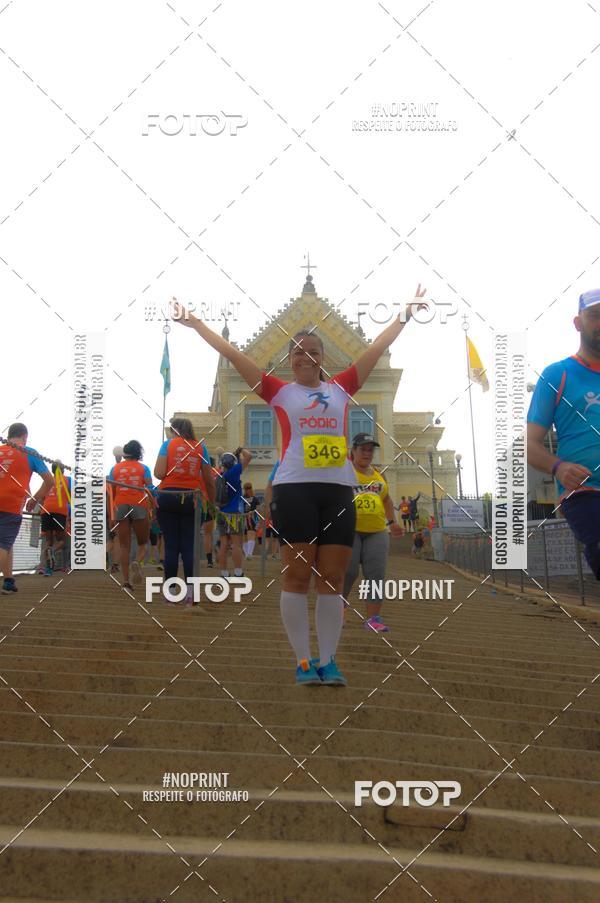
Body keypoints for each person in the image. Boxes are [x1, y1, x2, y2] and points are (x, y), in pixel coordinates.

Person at [173, 283, 426, 685]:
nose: (302, 356)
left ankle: (329, 659)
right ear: (290, 361)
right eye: (295, 352)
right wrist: (196, 323)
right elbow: (233, 355)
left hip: (339, 492)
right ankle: (303, 660)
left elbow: (375, 348)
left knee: (332, 579)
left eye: (310, 351)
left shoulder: (341, 388)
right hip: (295, 489)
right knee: (297, 576)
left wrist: (406, 313)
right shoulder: (279, 391)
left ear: (322, 359)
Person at [527, 289, 600, 578]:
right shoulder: (557, 374)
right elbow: (530, 445)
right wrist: (558, 467)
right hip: (585, 491)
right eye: (594, 316)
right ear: (577, 323)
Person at [342, 433, 403, 633]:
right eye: (363, 449)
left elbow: (386, 499)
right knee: (349, 572)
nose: (367, 453)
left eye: (370, 450)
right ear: (353, 451)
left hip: (377, 530)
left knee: (376, 575)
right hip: (350, 528)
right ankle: (338, 609)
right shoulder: (344, 471)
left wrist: (392, 522)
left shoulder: (379, 474)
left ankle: (373, 618)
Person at [154, 418, 215, 603]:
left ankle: (171, 593)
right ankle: (190, 594)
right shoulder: (200, 447)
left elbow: (158, 473)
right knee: (189, 546)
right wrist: (211, 503)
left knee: (171, 545)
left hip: (168, 496)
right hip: (192, 499)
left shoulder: (167, 445)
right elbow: (208, 480)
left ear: (175, 430)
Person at [0, 423, 53, 594]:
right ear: (25, 436)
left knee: (7, 543)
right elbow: (50, 481)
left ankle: (8, 580)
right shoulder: (29, 452)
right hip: (11, 504)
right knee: (3, 544)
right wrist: (35, 498)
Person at [110, 440, 154, 591]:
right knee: (143, 543)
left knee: (124, 546)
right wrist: (153, 507)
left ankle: (126, 583)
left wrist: (111, 515)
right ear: (138, 453)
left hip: (120, 505)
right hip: (138, 504)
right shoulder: (144, 468)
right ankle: (137, 561)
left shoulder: (115, 469)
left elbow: (111, 492)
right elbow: (150, 489)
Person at [216, 448, 253, 579]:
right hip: (234, 513)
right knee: (237, 544)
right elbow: (249, 456)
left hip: (221, 513)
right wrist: (241, 449)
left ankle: (224, 573)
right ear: (234, 462)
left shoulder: (220, 475)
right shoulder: (235, 471)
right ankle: (238, 572)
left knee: (224, 543)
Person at [40, 461, 71, 574]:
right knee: (62, 541)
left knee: (49, 541)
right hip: (59, 510)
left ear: (52, 470)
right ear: (63, 470)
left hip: (46, 510)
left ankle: (48, 569)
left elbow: (42, 497)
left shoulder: (47, 480)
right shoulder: (68, 480)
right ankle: (52, 552)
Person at [265, 460, 281, 559]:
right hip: (277, 514)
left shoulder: (280, 461)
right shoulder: (280, 461)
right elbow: (270, 485)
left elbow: (269, 486)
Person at [242, 482, 260, 558]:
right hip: (242, 518)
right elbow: (239, 508)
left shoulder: (255, 499)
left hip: (252, 518)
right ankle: (246, 554)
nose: (248, 490)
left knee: (251, 535)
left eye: (249, 488)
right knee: (244, 537)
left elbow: (258, 509)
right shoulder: (242, 498)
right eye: (246, 488)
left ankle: (249, 554)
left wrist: (253, 512)